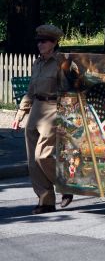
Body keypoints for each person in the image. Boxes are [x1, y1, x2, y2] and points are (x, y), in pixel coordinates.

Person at [12, 24, 74, 214]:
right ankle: (45, 200)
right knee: (32, 160)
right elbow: (31, 91)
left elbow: (68, 91)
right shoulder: (37, 62)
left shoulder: (61, 63)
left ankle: (65, 185)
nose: (40, 44)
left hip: (53, 109)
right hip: (36, 109)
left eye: (44, 41)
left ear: (54, 43)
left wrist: (66, 116)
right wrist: (20, 114)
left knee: (43, 155)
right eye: (38, 41)